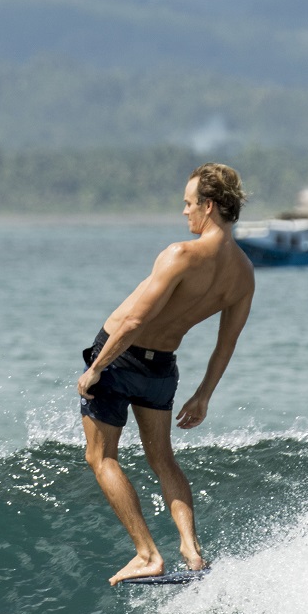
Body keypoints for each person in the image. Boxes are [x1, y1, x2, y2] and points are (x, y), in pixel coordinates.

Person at [77, 163, 254, 586]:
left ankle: (147, 554)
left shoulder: (180, 254)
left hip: (119, 360)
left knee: (101, 457)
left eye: (189, 204)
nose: (184, 212)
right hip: (162, 368)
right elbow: (225, 343)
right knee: (162, 459)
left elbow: (135, 321)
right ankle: (192, 551)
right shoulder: (244, 273)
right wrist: (203, 395)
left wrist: (96, 368)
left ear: (209, 206)